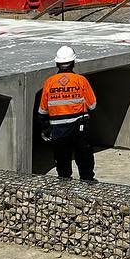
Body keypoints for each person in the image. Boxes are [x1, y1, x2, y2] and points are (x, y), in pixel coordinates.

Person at [39, 45, 97, 182]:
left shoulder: (49, 82)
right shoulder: (81, 81)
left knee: (62, 161)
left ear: (57, 63)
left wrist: (45, 127)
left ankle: (65, 189)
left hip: (58, 130)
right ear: (73, 62)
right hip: (79, 128)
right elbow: (93, 106)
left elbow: (42, 111)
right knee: (84, 158)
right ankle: (87, 184)